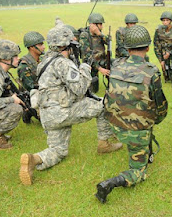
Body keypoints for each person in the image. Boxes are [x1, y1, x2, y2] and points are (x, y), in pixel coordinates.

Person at [19, 27, 123, 186]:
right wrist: (85, 69)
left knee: (58, 151)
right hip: (62, 112)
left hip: (47, 116)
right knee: (104, 104)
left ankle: (34, 159)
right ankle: (104, 144)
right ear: (66, 45)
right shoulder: (62, 63)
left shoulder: (44, 62)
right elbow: (80, 89)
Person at [95, 25, 168, 203]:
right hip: (137, 130)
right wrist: (153, 121)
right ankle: (110, 183)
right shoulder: (151, 72)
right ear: (148, 47)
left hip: (115, 124)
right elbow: (161, 106)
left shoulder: (116, 65)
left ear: (127, 48)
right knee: (138, 171)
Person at [17, 31, 45, 123]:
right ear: (32, 47)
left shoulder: (42, 59)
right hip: (33, 95)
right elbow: (29, 87)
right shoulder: (24, 65)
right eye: (40, 45)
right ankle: (29, 111)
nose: (43, 47)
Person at [79, 13, 110, 93]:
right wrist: (100, 68)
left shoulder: (99, 34)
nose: (102, 26)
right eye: (100, 24)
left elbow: (109, 42)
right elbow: (87, 56)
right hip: (91, 65)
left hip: (102, 60)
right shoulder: (85, 36)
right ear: (93, 25)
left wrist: (99, 34)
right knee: (93, 89)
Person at [153, 11, 172, 87]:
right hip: (163, 52)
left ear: (171, 21)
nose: (165, 22)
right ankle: (168, 71)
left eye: (167, 20)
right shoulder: (158, 30)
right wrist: (161, 60)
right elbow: (156, 46)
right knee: (167, 77)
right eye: (163, 20)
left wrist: (169, 53)